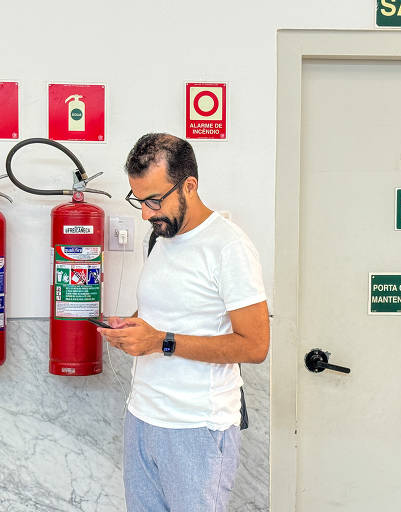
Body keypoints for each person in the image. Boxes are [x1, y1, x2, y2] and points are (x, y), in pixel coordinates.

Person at [98, 133, 269, 512]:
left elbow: (255, 346)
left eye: (154, 200)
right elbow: (162, 313)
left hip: (197, 428)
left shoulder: (229, 248)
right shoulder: (160, 237)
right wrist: (132, 327)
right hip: (142, 417)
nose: (146, 213)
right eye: (138, 200)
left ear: (189, 186)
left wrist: (161, 341)